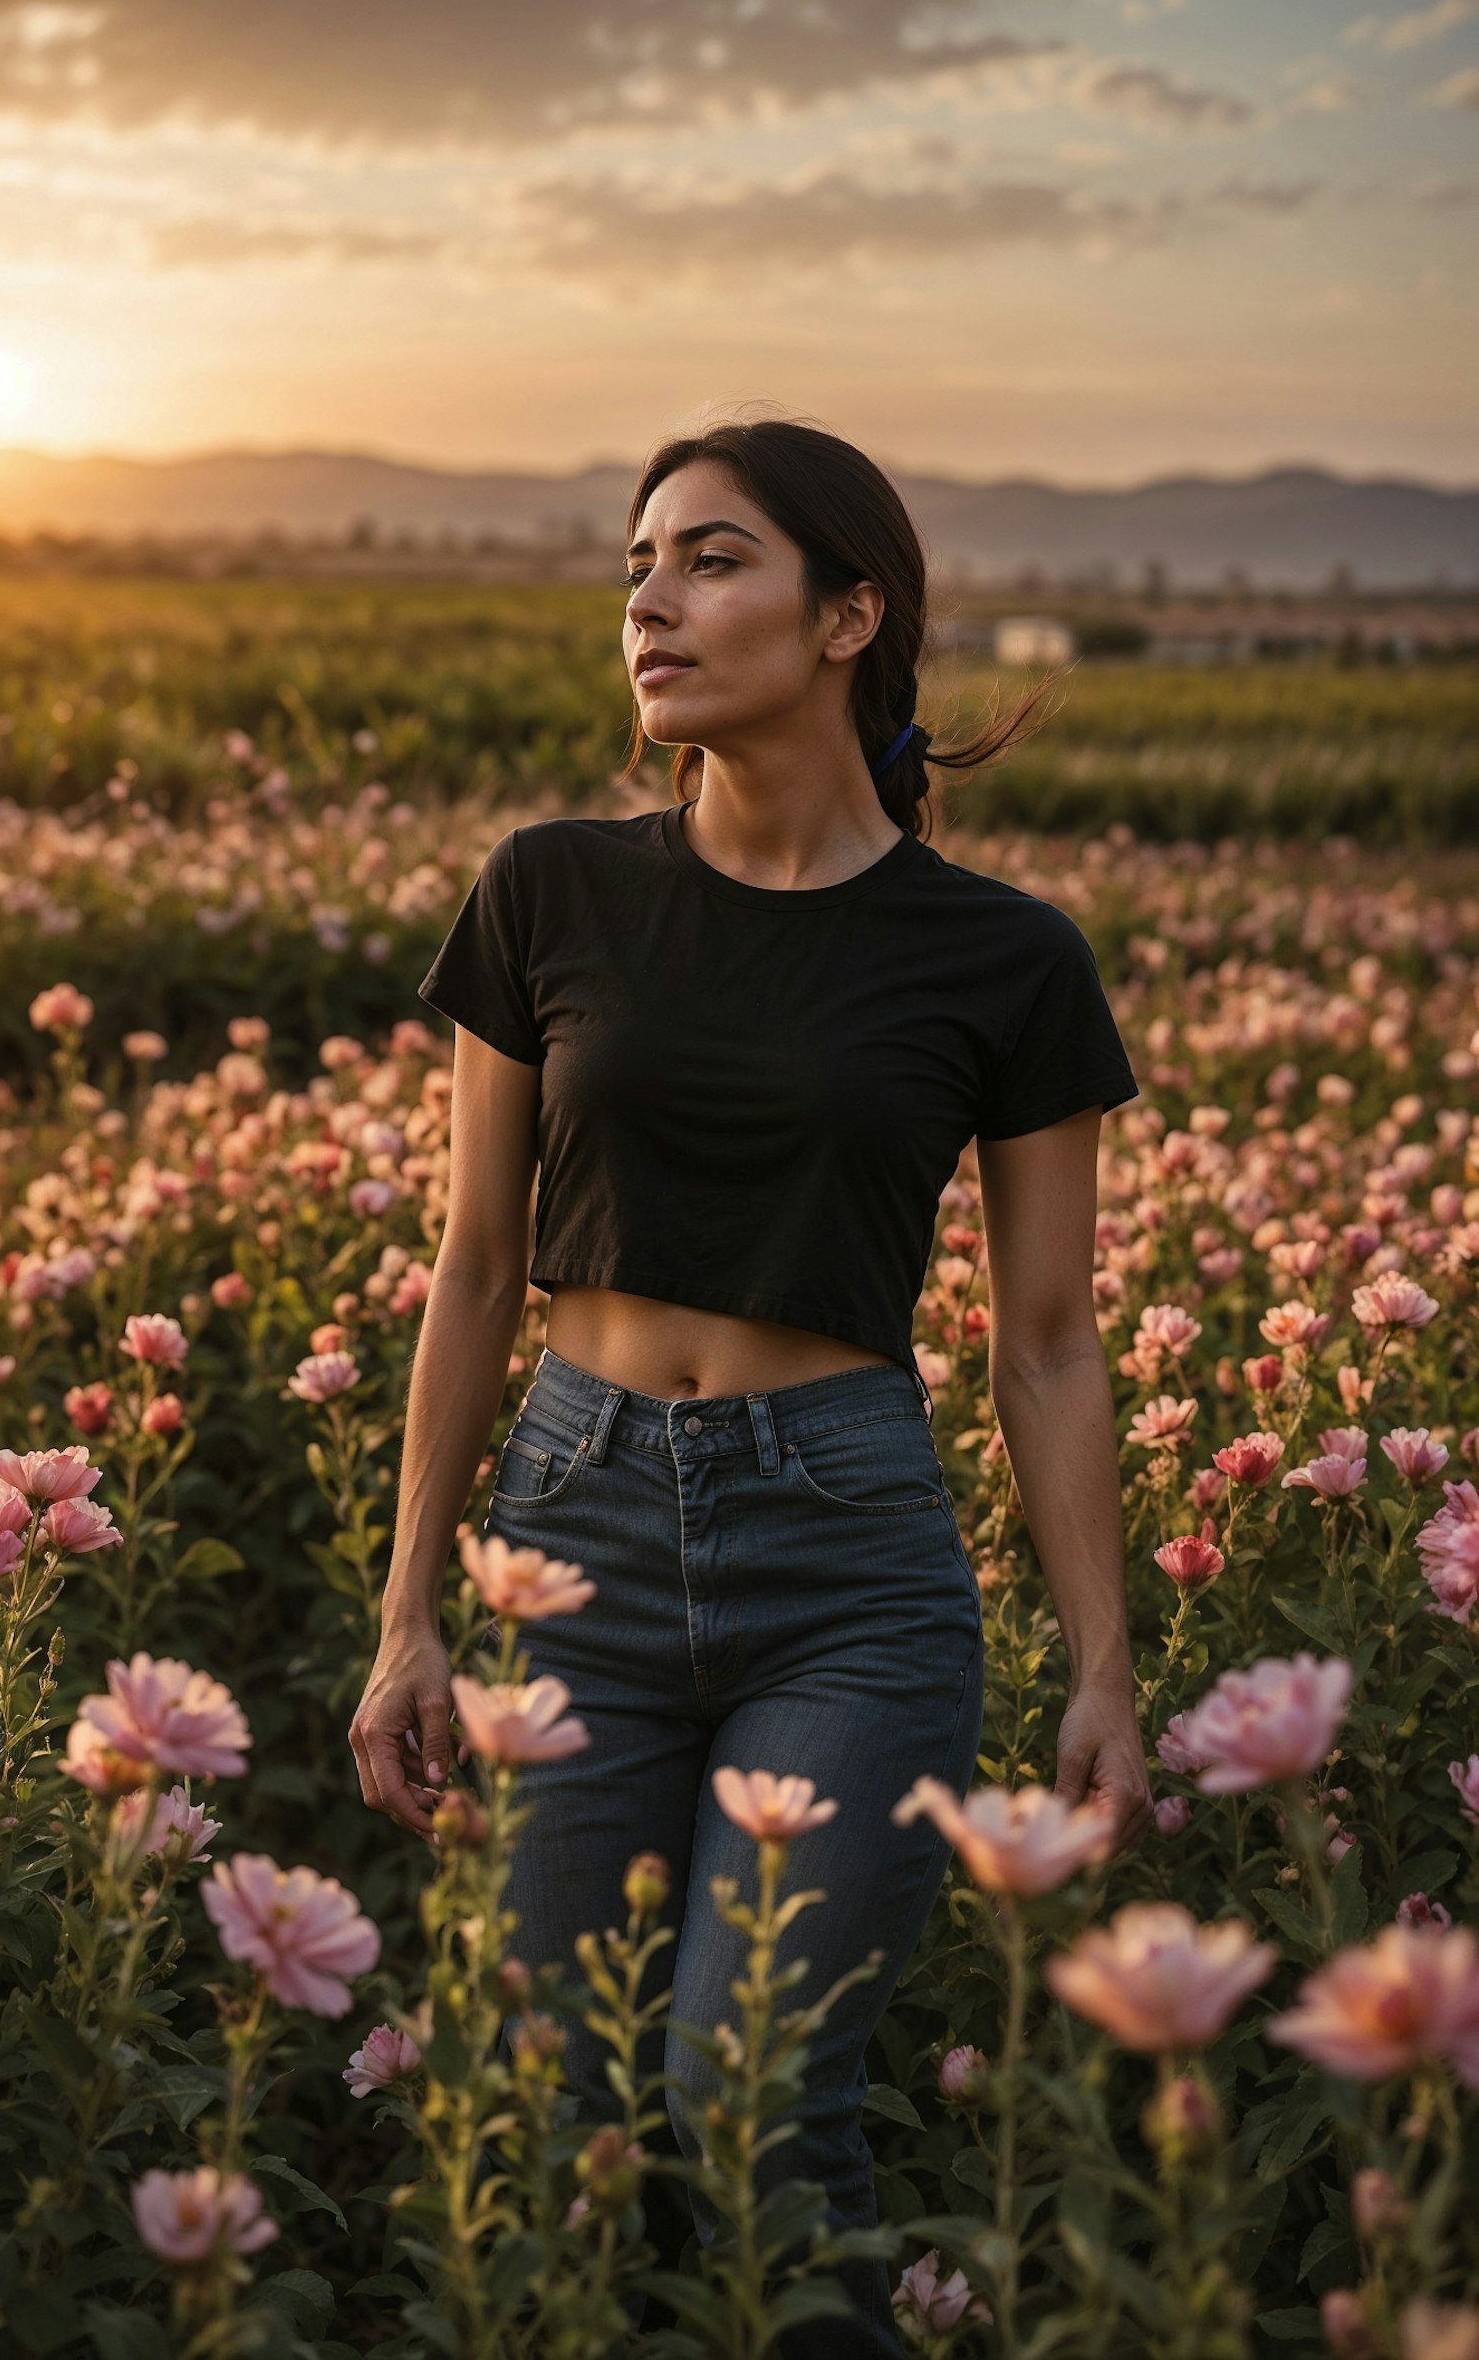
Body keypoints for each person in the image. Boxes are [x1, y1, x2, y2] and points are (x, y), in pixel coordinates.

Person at [350, 416, 1152, 2355]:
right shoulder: (551, 892)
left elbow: (1045, 1342)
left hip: (850, 1563)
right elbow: (473, 1269)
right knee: (546, 2118)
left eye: (711, 558)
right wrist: (405, 1616)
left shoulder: (1003, 959)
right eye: (637, 562)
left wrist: (1106, 1660)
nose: (651, 599)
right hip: (577, 1532)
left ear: (850, 612)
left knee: (747, 2101)